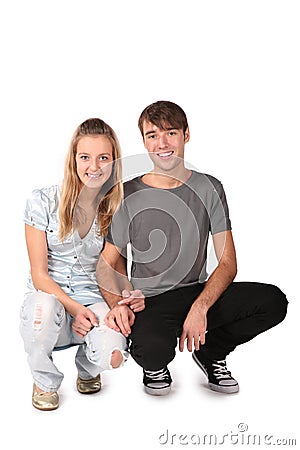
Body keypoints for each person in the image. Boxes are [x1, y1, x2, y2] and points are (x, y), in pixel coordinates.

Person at [96, 100, 288, 396]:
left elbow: (227, 263)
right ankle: (156, 363)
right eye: (152, 135)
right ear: (144, 141)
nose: (162, 143)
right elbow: (107, 263)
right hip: (151, 300)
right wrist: (117, 304)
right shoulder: (127, 194)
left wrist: (200, 308)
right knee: (152, 350)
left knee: (274, 301)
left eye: (170, 133)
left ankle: (211, 353)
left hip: (198, 290)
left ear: (186, 135)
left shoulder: (210, 187)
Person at [20, 118, 145, 410]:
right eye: (85, 157)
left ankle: (88, 366)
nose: (94, 166)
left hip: (95, 295)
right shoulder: (42, 200)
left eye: (104, 157)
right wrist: (75, 310)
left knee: (113, 355)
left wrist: (127, 298)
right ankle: (45, 380)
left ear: (114, 162)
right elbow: (39, 274)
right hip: (49, 295)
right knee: (41, 313)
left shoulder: (117, 209)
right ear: (73, 159)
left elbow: (118, 271)